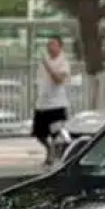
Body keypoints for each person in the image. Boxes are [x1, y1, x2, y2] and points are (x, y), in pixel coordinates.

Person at [32, 36, 71, 165]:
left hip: (57, 104)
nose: (50, 47)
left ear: (60, 46)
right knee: (39, 133)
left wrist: (48, 66)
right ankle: (50, 150)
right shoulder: (44, 61)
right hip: (42, 104)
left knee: (57, 133)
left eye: (53, 44)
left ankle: (55, 156)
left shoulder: (63, 62)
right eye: (48, 44)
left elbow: (58, 80)